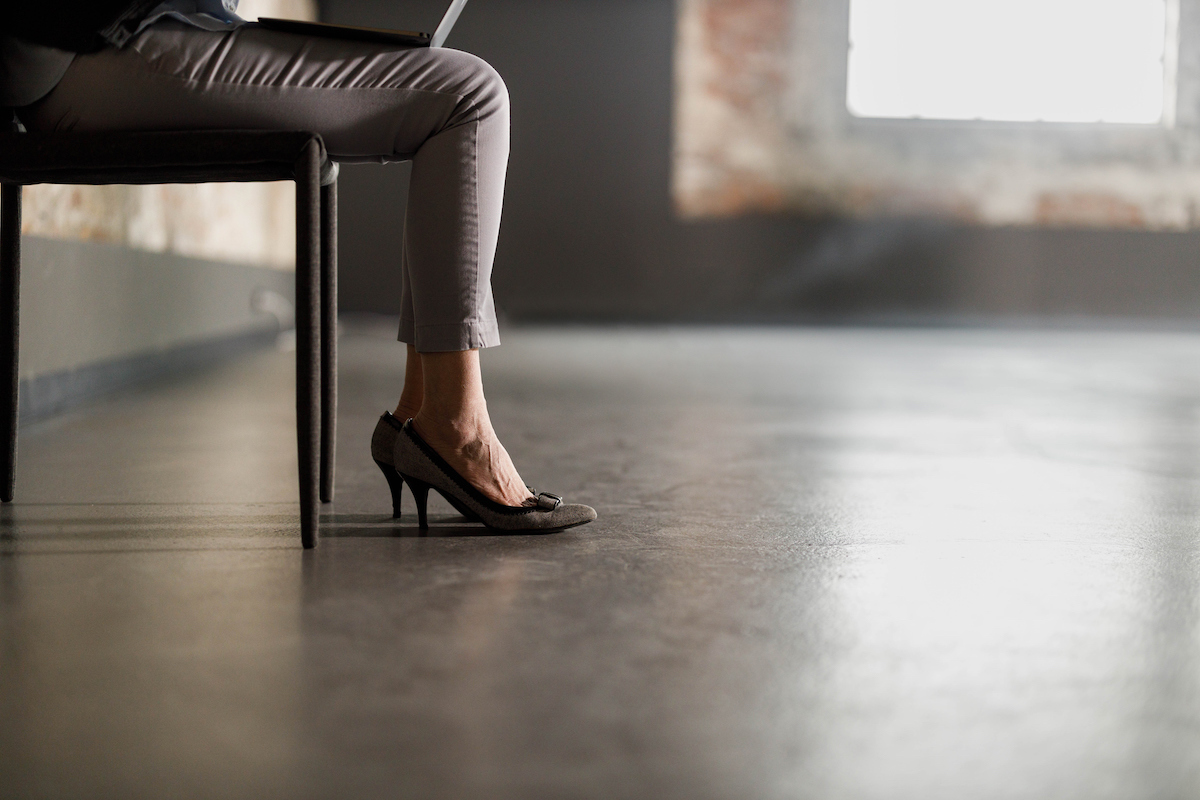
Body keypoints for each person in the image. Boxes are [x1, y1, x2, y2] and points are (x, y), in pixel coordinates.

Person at [1, 1, 596, 531]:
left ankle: (423, 412)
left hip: (126, 35)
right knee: (469, 95)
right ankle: (454, 426)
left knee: (458, 90)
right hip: (89, 47)